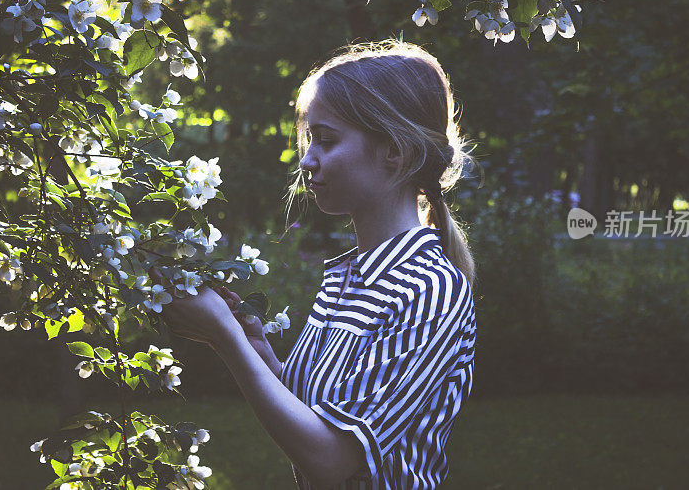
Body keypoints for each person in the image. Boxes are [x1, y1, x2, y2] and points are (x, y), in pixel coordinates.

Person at [159, 39, 477, 489]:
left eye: (326, 141)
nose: (307, 160)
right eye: (310, 140)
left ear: (394, 151)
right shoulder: (349, 278)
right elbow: (314, 420)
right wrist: (255, 347)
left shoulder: (430, 288)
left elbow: (334, 462)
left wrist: (225, 337)